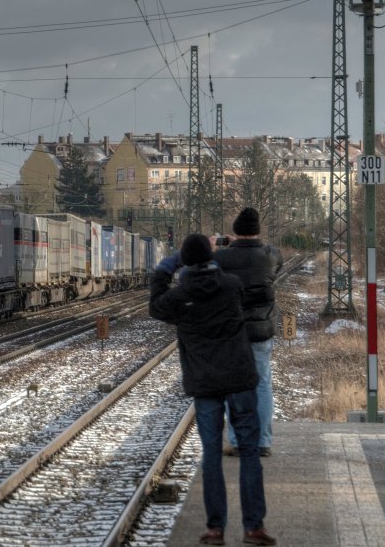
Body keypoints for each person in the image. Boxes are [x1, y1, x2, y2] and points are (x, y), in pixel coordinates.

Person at [149, 233, 276, 546]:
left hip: (205, 382)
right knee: (249, 452)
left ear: (185, 263)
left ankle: (216, 529)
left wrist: (166, 268)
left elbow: (155, 305)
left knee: (211, 454)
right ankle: (253, 527)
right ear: (212, 257)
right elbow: (256, 286)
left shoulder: (179, 297)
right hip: (239, 378)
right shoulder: (231, 285)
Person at [212, 207, 284, 458]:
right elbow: (269, 261)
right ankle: (262, 442)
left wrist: (222, 248)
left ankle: (239, 441)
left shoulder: (222, 259)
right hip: (261, 331)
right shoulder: (271, 255)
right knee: (262, 384)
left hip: (232, 332)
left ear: (235, 231)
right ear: (258, 231)